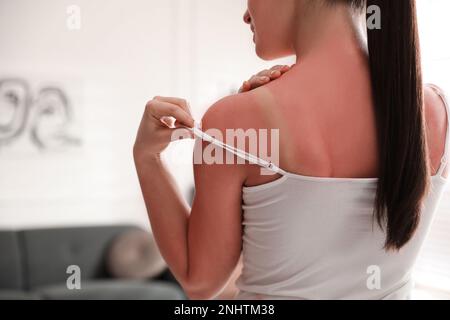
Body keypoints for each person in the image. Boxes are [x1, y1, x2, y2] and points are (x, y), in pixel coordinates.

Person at [133, 0, 449, 299]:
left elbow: (199, 281)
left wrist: (147, 158)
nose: (245, 14)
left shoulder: (231, 121)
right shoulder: (437, 113)